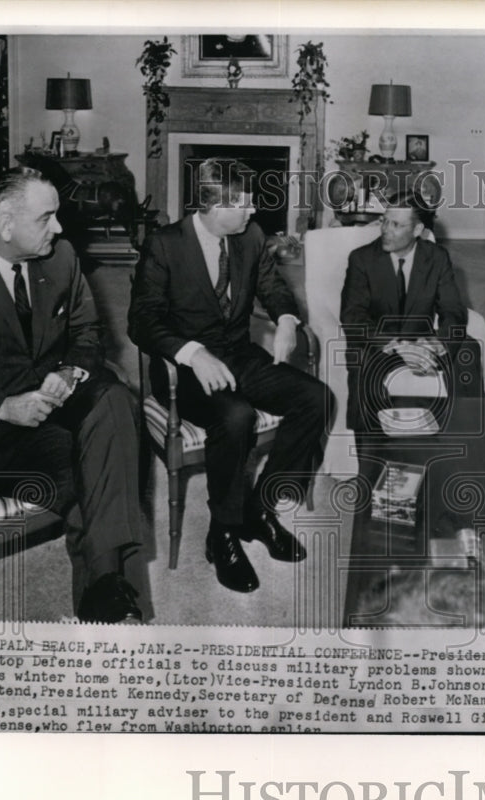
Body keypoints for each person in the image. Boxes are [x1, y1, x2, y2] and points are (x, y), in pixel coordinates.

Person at [0, 167, 144, 623]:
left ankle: (104, 591)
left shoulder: (61, 256)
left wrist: (70, 371)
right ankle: (105, 586)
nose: (60, 227)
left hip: (55, 405)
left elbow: (87, 332)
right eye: (46, 218)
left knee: (114, 401)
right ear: (5, 223)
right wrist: (0, 408)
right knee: (93, 464)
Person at [129, 158, 329, 595]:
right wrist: (193, 353)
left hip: (239, 354)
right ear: (211, 206)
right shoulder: (165, 245)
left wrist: (289, 320)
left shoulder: (250, 238)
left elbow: (273, 287)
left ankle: (258, 510)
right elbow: (141, 321)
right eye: (243, 204)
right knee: (236, 416)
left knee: (316, 398)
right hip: (184, 370)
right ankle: (222, 530)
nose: (253, 212)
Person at [340, 193, 472, 434]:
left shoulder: (437, 258)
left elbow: (453, 311)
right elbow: (352, 317)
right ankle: (370, 466)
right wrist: (396, 345)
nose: (385, 230)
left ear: (418, 229)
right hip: (377, 345)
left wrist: (437, 343)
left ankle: (465, 442)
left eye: (397, 224)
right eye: (384, 221)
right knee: (362, 369)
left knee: (468, 351)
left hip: (421, 341)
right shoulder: (362, 259)